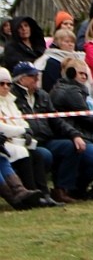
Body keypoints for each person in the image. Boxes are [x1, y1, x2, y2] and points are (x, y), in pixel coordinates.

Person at [12, 60, 93, 201]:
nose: (37, 78)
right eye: (33, 76)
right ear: (22, 79)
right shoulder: (13, 97)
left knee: (70, 146)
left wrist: (75, 135)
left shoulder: (42, 95)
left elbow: (56, 120)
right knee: (45, 155)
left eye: (37, 75)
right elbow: (85, 117)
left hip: (48, 138)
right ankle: (42, 192)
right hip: (26, 141)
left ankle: (62, 190)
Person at [0, 67, 61, 208]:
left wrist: (27, 131)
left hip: (14, 141)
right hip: (7, 141)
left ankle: (42, 194)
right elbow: (2, 127)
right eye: (1, 84)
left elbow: (21, 119)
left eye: (8, 84)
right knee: (21, 154)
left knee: (38, 155)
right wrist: (22, 130)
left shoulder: (10, 101)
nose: (6, 87)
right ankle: (23, 196)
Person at [35, 27, 79, 93]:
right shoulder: (51, 60)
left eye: (72, 42)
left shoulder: (77, 57)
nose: (70, 44)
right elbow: (51, 85)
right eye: (67, 41)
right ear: (57, 42)